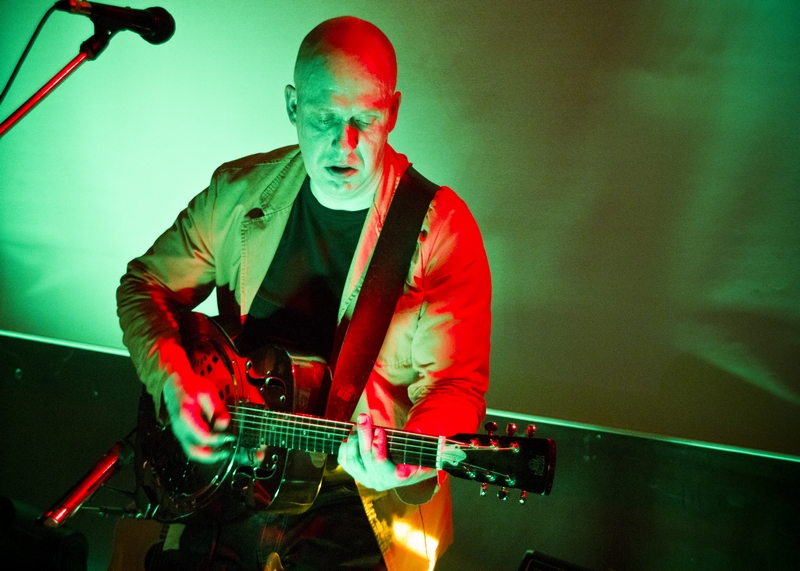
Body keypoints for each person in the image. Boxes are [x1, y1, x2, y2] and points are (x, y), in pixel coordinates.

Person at [117, 15, 491, 571]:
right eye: (324, 117)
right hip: (233, 469)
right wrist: (172, 381)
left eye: (365, 119)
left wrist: (405, 461)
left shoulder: (440, 231)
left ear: (392, 112)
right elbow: (144, 286)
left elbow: (455, 386)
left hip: (359, 497)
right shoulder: (238, 193)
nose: (345, 143)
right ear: (293, 106)